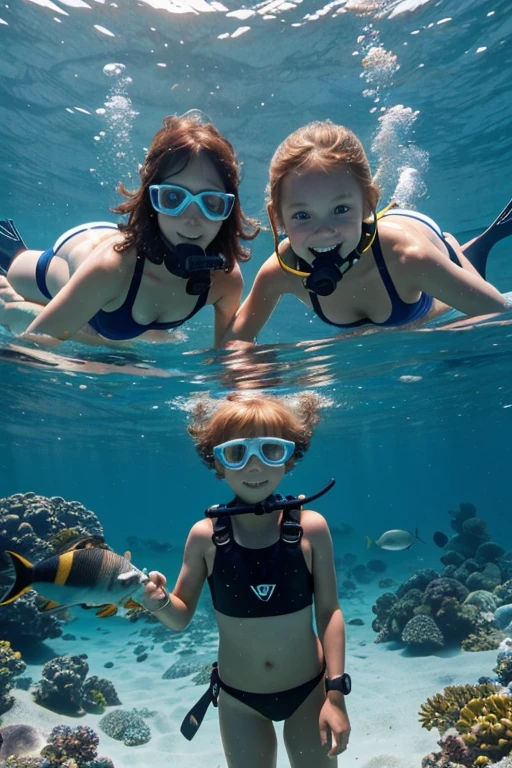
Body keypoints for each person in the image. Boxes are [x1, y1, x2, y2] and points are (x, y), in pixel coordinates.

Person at [139, 393, 350, 767]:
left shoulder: (311, 528)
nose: (255, 466)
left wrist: (335, 694)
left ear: (290, 457)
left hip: (309, 692)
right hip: (239, 700)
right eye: (237, 453)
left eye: (271, 450)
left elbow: (330, 613)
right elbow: (180, 616)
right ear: (216, 462)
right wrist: (155, 599)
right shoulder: (205, 536)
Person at [228, 120, 512, 342]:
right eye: (302, 215)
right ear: (277, 218)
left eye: (340, 209)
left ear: (368, 205)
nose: (324, 230)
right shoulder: (280, 273)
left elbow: (499, 313)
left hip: (416, 236)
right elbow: (236, 342)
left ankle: (454, 250)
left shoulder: (410, 259)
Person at [0, 113, 259, 347]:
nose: (192, 219)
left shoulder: (224, 280)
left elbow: (227, 357)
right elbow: (34, 346)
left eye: (211, 203)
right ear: (150, 200)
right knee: (11, 276)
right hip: (81, 251)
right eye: (172, 199)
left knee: (118, 335)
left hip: (117, 281)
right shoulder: (111, 269)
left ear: (228, 209)